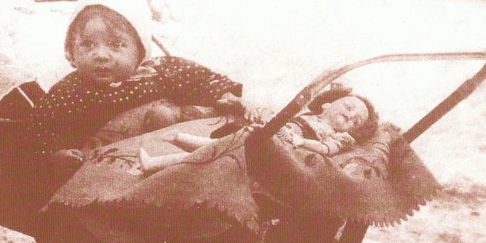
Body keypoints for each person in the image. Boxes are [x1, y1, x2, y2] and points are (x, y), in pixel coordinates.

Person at [25, 0, 246, 165]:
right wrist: (54, 155)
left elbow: (200, 78)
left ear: (140, 51)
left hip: (172, 153)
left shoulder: (158, 71)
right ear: (71, 53)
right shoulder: (69, 91)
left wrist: (222, 94)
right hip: (112, 168)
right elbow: (41, 127)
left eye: (116, 44)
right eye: (88, 44)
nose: (100, 55)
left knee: (167, 115)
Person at [138, 85, 378, 175]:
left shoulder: (338, 136)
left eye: (355, 121)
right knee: (222, 146)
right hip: (268, 137)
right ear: (327, 105)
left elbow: (326, 149)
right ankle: (177, 142)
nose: (349, 116)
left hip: (283, 152)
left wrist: (302, 142)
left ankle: (165, 154)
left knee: (221, 150)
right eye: (348, 107)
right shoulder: (307, 114)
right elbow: (276, 116)